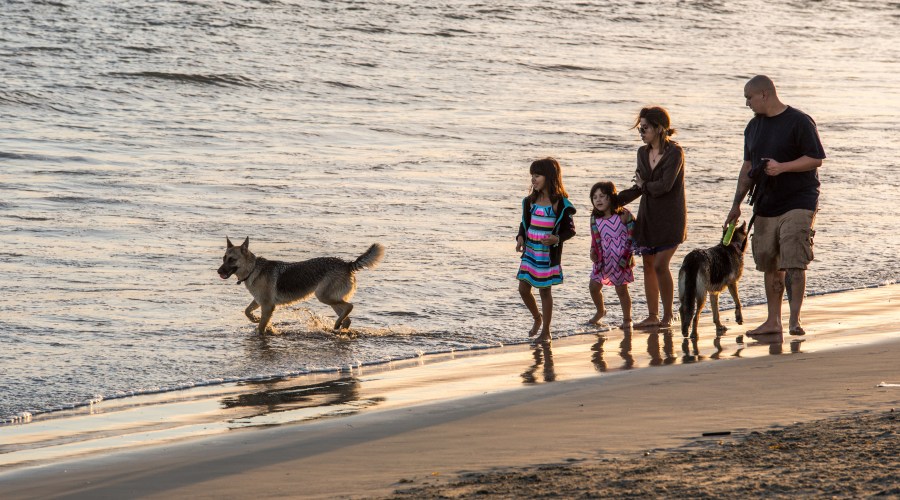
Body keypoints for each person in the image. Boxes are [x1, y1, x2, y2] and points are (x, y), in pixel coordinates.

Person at [725, 75, 825, 338]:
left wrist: (782, 168)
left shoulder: (799, 121)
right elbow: (748, 167)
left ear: (765, 94)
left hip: (800, 200)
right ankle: (773, 321)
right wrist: (736, 205)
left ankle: (794, 320)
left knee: (794, 259)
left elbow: (815, 159)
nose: (747, 103)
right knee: (770, 262)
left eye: (749, 97)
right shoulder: (752, 127)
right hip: (766, 202)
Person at [618, 106, 687, 328]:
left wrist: (644, 185)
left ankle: (668, 315)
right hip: (648, 216)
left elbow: (665, 186)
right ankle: (652, 315)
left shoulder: (675, 153)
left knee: (660, 264)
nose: (641, 132)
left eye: (645, 127)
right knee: (648, 265)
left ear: (659, 128)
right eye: (640, 128)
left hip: (671, 218)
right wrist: (614, 201)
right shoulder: (642, 153)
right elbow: (639, 187)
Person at [516, 157, 576, 344]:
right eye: (532, 175)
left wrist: (556, 238)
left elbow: (570, 230)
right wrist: (520, 237)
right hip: (531, 252)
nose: (533, 179)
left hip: (546, 255)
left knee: (544, 292)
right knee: (523, 288)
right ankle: (537, 317)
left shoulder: (559, 203)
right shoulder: (530, 201)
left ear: (549, 177)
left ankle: (546, 331)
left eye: (537, 175)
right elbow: (524, 223)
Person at [587, 181, 635, 330]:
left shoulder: (622, 215)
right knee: (593, 286)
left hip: (621, 259)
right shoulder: (595, 218)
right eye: (595, 197)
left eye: (602, 196)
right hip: (603, 259)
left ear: (611, 197)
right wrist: (592, 251)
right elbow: (595, 239)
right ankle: (600, 311)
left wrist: (630, 221)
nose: (598, 200)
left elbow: (634, 233)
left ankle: (627, 318)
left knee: (621, 290)